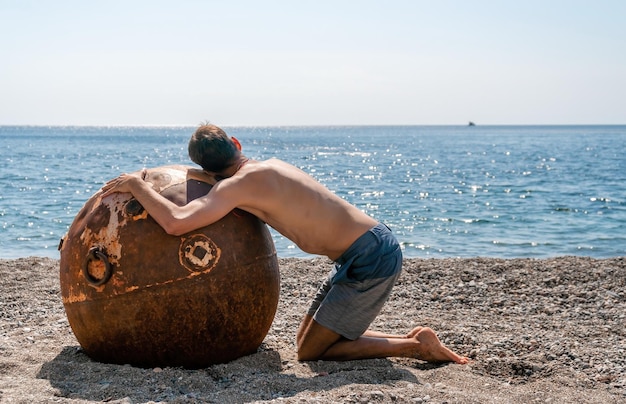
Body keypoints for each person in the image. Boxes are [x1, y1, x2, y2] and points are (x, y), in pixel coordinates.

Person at [102, 124, 468, 364]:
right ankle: (414, 337)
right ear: (237, 145)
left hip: (370, 256)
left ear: (204, 168)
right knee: (305, 340)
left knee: (310, 353)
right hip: (366, 247)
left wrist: (137, 185)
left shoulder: (234, 188)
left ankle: (416, 347)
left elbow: (175, 222)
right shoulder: (270, 167)